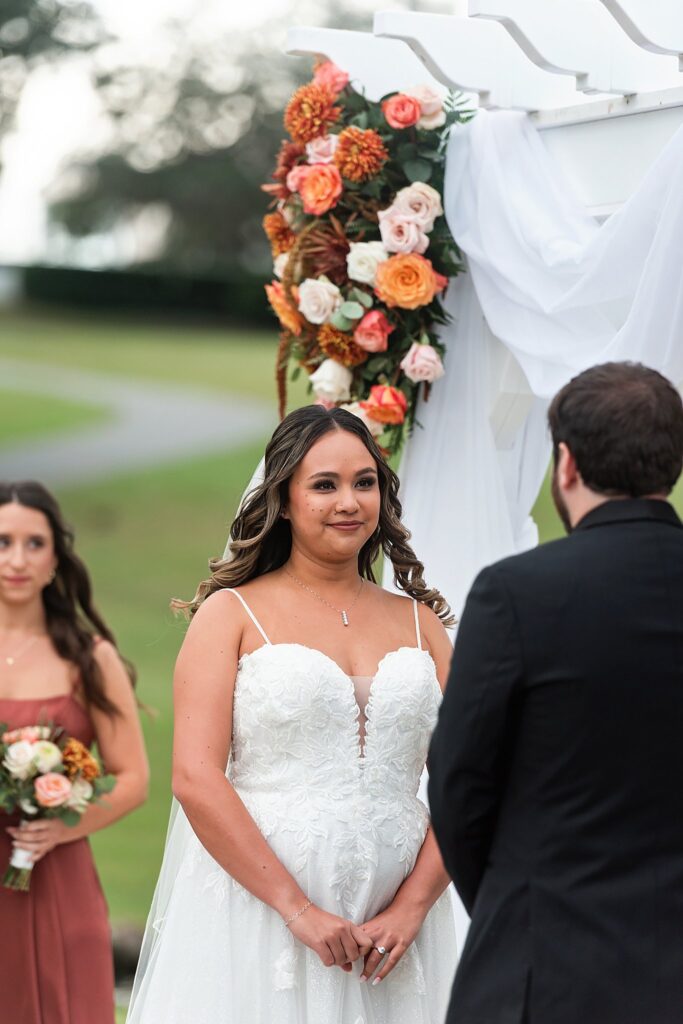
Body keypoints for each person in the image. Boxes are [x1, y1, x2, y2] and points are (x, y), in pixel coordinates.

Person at [128, 405, 458, 1023]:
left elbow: (474, 779)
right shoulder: (230, 616)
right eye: (325, 485)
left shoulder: (423, 626)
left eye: (365, 483)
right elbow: (196, 779)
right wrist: (297, 909)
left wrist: (412, 906)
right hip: (261, 911)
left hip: (395, 932)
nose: (350, 502)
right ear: (282, 499)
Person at [428, 361, 683, 1024]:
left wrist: (515, 901)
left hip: (546, 967)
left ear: (564, 464)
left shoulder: (517, 593)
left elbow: (458, 782)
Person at [0, 481, 149, 1024]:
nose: (17, 559)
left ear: (56, 558)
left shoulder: (90, 659)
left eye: (34, 543)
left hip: (58, 880)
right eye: (3, 542)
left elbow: (132, 777)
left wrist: (63, 825)